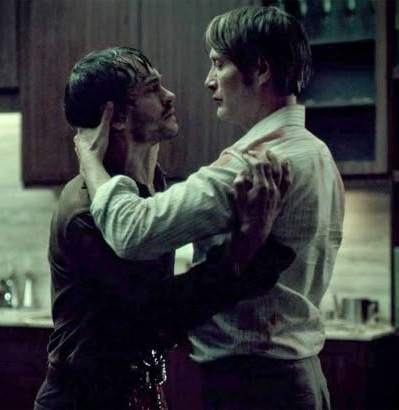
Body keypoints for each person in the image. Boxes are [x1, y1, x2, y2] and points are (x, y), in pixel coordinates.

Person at [75, 6, 344, 410]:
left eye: (219, 64)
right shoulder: (318, 152)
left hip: (253, 383)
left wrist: (90, 162)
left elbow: (130, 231)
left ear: (261, 69)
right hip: (297, 376)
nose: (209, 79)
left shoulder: (253, 164)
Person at [34, 47, 295, 410]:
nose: (169, 95)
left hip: (138, 391)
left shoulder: (154, 187)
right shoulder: (86, 211)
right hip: (84, 399)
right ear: (117, 117)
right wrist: (244, 249)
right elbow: (156, 318)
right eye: (151, 88)